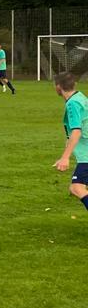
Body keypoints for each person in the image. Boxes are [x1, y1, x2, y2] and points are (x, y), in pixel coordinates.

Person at [53, 72, 88, 211]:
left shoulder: (73, 103)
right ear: (75, 84)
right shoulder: (80, 96)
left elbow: (76, 131)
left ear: (58, 87)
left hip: (86, 156)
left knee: (76, 188)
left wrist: (65, 158)